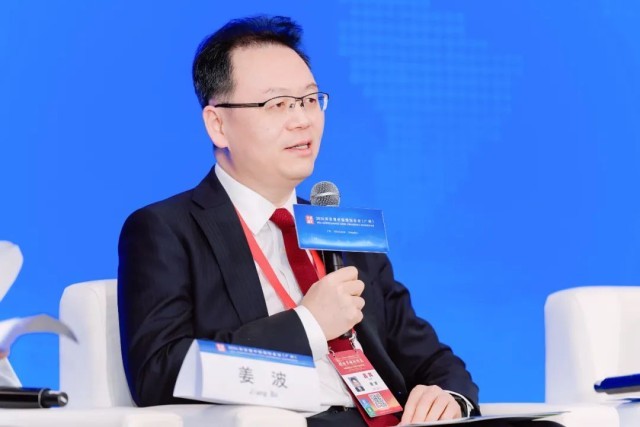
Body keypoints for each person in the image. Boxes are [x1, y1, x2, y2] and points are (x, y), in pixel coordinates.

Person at [120, 15, 525, 426]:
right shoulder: (166, 230)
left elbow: (432, 359)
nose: (302, 120)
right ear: (218, 124)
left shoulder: (341, 231)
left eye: (311, 100)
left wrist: (449, 398)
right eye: (278, 104)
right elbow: (159, 371)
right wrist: (309, 324)